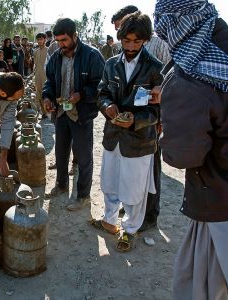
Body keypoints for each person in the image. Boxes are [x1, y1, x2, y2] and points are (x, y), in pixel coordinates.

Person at [154, 0, 228, 298]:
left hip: (226, 201)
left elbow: (182, 156)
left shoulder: (188, 77)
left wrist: (167, 128)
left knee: (199, 285)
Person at [92, 12, 163, 252]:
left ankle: (130, 229)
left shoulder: (155, 69)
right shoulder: (111, 64)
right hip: (113, 136)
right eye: (126, 41)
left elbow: (158, 111)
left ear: (145, 40)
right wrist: (107, 107)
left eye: (137, 41)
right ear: (120, 38)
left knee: (134, 189)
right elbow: (102, 93)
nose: (131, 46)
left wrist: (135, 119)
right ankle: (109, 220)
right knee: (109, 182)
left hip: (140, 141)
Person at [112, 4, 172, 232]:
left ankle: (149, 215)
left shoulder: (160, 46)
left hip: (151, 122)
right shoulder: (125, 51)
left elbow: (168, 83)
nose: (126, 44)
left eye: (132, 39)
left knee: (150, 172)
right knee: (130, 170)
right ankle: (132, 206)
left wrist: (159, 120)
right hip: (132, 121)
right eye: (123, 37)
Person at [42, 18, 105, 211]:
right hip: (61, 114)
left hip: (82, 114)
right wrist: (47, 97)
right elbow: (50, 81)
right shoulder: (56, 56)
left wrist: (82, 94)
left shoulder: (92, 56)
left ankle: (83, 196)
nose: (61, 44)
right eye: (58, 40)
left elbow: (101, 86)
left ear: (75, 36)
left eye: (64, 40)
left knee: (84, 157)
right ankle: (61, 185)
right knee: (61, 153)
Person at [33, 32, 48, 116]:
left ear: (45, 40)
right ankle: (43, 112)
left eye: (41, 39)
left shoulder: (48, 50)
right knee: (39, 94)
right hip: (38, 75)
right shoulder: (35, 51)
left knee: (46, 93)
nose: (39, 41)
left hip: (46, 75)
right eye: (38, 40)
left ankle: (48, 110)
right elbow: (35, 64)